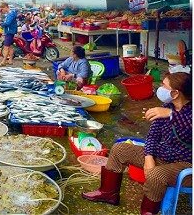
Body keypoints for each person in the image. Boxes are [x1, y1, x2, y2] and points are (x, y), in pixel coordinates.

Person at [82, 72, 192, 215]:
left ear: (175, 93)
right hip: (165, 155)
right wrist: (149, 157)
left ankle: (148, 212)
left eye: (164, 86)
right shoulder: (166, 107)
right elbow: (152, 136)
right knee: (119, 149)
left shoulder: (178, 111)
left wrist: (171, 115)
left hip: (187, 164)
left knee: (156, 175)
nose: (160, 88)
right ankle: (108, 193)